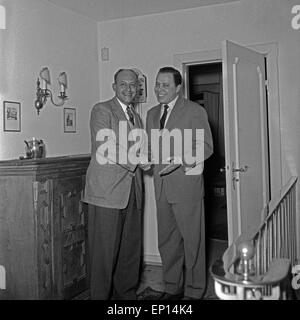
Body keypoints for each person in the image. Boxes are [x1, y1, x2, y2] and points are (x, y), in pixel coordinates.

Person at [146, 67, 213, 300]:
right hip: (161, 187)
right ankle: (172, 287)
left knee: (193, 243)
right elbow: (153, 148)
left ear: (177, 87)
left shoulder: (194, 110)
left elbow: (205, 146)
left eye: (165, 85)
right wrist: (146, 159)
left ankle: (195, 292)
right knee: (167, 242)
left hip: (186, 186)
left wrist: (179, 160)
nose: (159, 89)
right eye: (157, 84)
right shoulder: (152, 114)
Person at [84, 68, 148, 300]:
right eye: (123, 84)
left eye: (133, 85)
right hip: (106, 193)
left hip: (133, 192)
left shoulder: (137, 117)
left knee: (129, 253)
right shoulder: (102, 110)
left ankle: (127, 298)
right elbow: (105, 146)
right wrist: (139, 160)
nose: (129, 89)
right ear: (114, 86)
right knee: (104, 255)